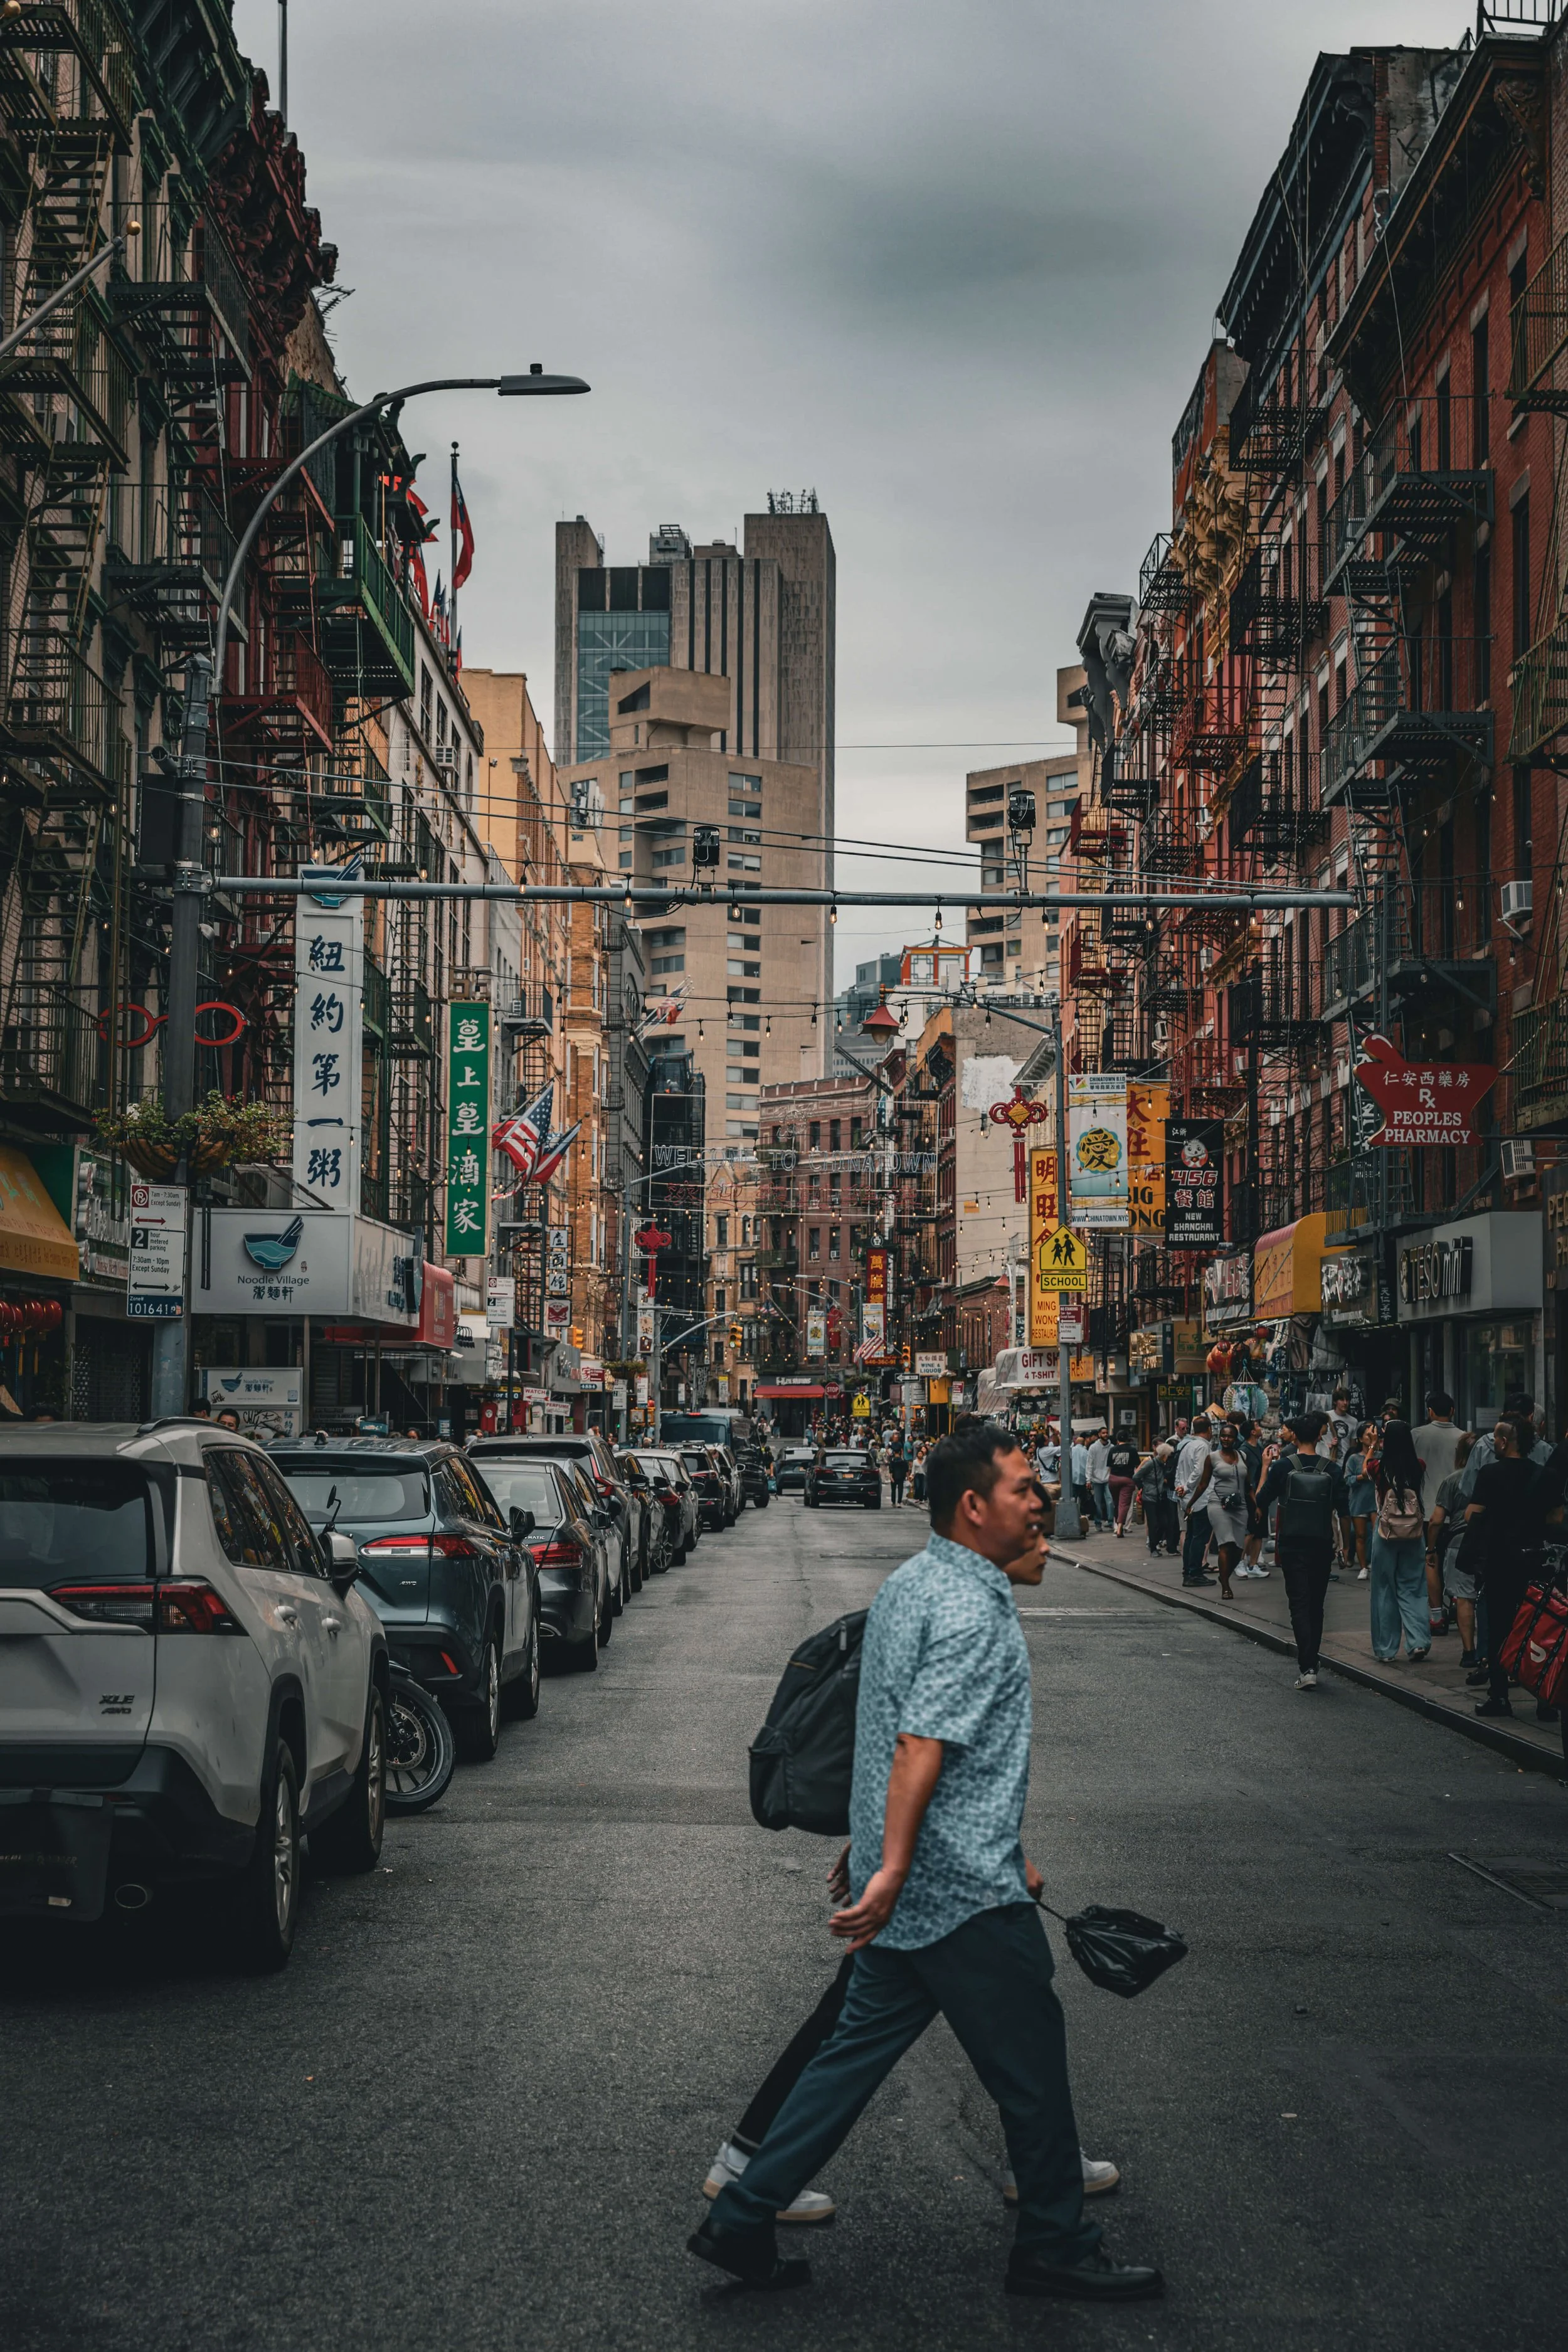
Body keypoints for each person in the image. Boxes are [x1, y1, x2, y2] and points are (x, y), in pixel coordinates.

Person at [689, 1422, 1163, 2303]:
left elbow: (883, 1734)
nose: (1042, 1499)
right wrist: (897, 1866)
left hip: (915, 1890)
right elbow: (919, 1745)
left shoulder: (908, 1586)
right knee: (1032, 2062)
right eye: (1025, 1487)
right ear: (974, 1506)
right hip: (961, 1893)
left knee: (847, 2061)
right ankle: (1057, 2240)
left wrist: (873, 1853)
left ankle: (743, 2214)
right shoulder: (970, 1609)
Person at [1253, 1412, 1353, 1689]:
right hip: (1321, 1544)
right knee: (1316, 1605)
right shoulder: (1331, 1470)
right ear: (1320, 1435)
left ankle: (1306, 1666)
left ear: (1295, 1436)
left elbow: (1262, 1500)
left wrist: (1264, 1470)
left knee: (1298, 1602)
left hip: (1292, 1543)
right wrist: (1346, 1548)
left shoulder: (1284, 1467)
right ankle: (1313, 1659)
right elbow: (1344, 1512)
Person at [1465, 1415, 1543, 1719]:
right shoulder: (1541, 1475)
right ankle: (1545, 1700)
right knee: (1539, 1629)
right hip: (1535, 1562)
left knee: (1499, 1629)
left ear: (1502, 1442)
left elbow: (1473, 1514)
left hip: (1500, 1562)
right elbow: (1555, 1518)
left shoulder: (1490, 1474)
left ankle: (1499, 1697)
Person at [1367, 1419, 1429, 1665]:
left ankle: (1386, 1649)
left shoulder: (1378, 1467)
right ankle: (1418, 1642)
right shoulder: (1419, 1466)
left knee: (1384, 1588)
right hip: (1414, 1532)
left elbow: (1366, 1468)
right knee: (1413, 1586)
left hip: (1385, 1533)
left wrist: (1372, 1446)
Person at [1429, 1433, 1478, 1668]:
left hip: (1459, 1541)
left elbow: (1437, 1520)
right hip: (1491, 1542)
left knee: (1465, 1598)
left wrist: (1431, 1547)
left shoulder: (1452, 1480)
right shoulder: (1490, 1477)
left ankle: (1469, 1651)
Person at [1188, 1422, 1250, 1601]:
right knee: (1226, 1544)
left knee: (1238, 1549)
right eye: (1223, 1436)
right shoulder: (1212, 1457)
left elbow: (1248, 1485)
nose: (1226, 1439)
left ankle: (1224, 1575)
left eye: (1230, 1436)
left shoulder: (1242, 1456)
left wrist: (1257, 1506)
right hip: (1218, 1504)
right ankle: (1226, 1586)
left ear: (1235, 1438)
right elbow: (1203, 1484)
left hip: (1239, 1505)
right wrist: (1191, 1503)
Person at [1173, 1417, 1214, 1587]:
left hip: (1187, 1497)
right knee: (1199, 1537)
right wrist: (1188, 1488)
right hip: (1200, 1499)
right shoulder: (1202, 1446)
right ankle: (1194, 1573)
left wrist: (1180, 1487)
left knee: (1191, 1536)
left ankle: (1189, 1570)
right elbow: (1199, 1472)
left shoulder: (1186, 1445)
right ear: (1209, 1429)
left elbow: (1178, 1470)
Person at [1343, 1423, 1377, 1581]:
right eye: (1367, 1434)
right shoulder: (1354, 1459)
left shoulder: (1379, 1456)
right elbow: (1347, 1480)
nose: (1370, 1436)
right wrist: (1361, 1477)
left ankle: (1375, 1562)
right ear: (1360, 1438)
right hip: (1359, 1500)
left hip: (1376, 1500)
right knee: (1360, 1535)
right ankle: (1363, 1566)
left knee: (1378, 1534)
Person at [1104, 1429, 1138, 1537]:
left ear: (1118, 1439)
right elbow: (1137, 1465)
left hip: (1114, 1479)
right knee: (1124, 1505)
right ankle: (1120, 1527)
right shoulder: (1132, 1450)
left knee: (1116, 1504)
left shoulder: (1112, 1450)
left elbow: (1109, 1466)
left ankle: (1116, 1527)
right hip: (1127, 1479)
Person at [1086, 1426, 1113, 1532]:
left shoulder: (1112, 1447)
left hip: (1108, 1478)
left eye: (1107, 1433)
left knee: (1110, 1501)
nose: (1106, 1435)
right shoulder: (1093, 1448)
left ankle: (1111, 1521)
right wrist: (1089, 1479)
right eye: (1103, 1433)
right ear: (1099, 1435)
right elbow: (1090, 1464)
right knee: (1097, 1502)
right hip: (1096, 1479)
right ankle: (1098, 1523)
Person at [887, 1434, 908, 1507]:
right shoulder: (891, 1444)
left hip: (898, 1476)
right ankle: (895, 1502)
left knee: (898, 1489)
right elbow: (906, 1469)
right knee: (896, 1489)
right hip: (899, 1476)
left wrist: (891, 1476)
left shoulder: (899, 1444)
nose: (896, 1439)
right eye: (895, 1438)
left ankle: (897, 1502)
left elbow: (891, 1469)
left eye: (897, 1438)